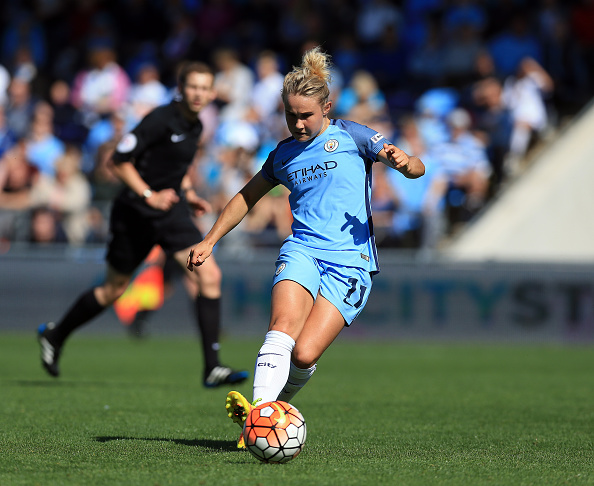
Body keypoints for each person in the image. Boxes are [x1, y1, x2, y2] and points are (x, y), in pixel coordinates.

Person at [186, 47, 425, 448]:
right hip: (302, 249)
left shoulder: (353, 135)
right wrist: (210, 239)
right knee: (281, 328)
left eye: (306, 115)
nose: (297, 123)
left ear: (326, 107)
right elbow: (246, 197)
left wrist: (405, 162)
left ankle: (270, 410)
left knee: (304, 355)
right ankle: (260, 417)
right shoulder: (282, 155)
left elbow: (417, 167)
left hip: (351, 260)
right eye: (290, 115)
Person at [37, 61, 248, 388]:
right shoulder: (160, 120)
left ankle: (212, 367)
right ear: (181, 88)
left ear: (212, 92)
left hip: (171, 212)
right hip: (136, 212)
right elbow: (118, 162)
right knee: (112, 291)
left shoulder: (196, 126)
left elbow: (179, 167)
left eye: (205, 88)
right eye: (193, 86)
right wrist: (148, 194)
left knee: (209, 273)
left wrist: (189, 192)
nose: (199, 94)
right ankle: (55, 334)